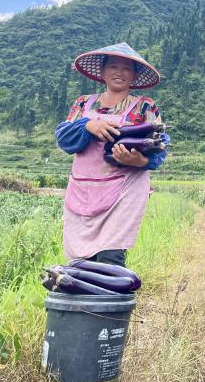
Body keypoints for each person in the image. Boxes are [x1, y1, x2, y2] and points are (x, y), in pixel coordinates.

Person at [55, 42, 169, 267]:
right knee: (79, 262)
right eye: (114, 66)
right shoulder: (83, 103)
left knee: (111, 257)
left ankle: (111, 301)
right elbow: (63, 138)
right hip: (83, 188)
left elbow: (161, 144)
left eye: (127, 69)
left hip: (124, 192)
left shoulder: (145, 107)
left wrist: (141, 161)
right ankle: (81, 302)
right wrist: (87, 126)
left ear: (134, 76)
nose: (119, 72)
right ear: (103, 72)